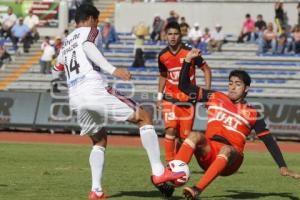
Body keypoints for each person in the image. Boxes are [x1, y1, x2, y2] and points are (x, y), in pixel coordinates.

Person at [53, 4, 183, 200]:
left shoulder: (66, 41)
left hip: (75, 96)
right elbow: (88, 46)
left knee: (99, 140)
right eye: (96, 20)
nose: (97, 24)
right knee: (144, 118)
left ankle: (96, 191)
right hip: (93, 88)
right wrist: (113, 69)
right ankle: (158, 173)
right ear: (90, 19)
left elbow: (56, 67)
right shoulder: (90, 31)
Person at [171, 48, 300, 200]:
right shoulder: (215, 96)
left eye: (238, 84)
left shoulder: (253, 113)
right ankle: (171, 179)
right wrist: (187, 60)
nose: (232, 87)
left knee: (226, 149)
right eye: (230, 83)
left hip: (231, 159)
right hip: (209, 151)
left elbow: (269, 141)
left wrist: (282, 166)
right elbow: (184, 87)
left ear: (246, 89)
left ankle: (197, 190)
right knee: (194, 135)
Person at [157, 21, 211, 163]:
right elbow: (163, 75)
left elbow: (206, 69)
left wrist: (207, 91)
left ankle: (179, 163)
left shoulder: (190, 52)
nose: (173, 37)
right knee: (170, 130)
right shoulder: (162, 56)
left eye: (176, 34)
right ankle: (170, 163)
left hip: (188, 101)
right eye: (170, 34)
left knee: (184, 137)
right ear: (165, 36)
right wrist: (159, 96)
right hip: (170, 99)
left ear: (181, 35)